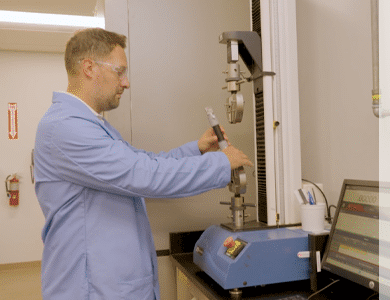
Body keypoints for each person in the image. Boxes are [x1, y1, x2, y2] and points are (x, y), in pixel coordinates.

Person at [34, 28, 253, 299]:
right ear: (90, 68)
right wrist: (221, 163)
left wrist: (196, 150)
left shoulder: (88, 125)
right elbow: (145, 176)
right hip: (90, 289)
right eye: (119, 71)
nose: (125, 83)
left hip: (106, 284)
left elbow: (142, 163)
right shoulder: (66, 128)